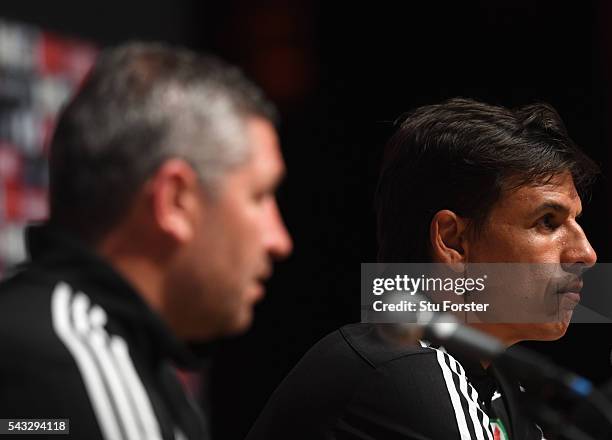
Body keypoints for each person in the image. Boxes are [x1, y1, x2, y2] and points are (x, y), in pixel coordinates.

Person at [246, 98, 598, 440]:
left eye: (576, 222)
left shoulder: (500, 384)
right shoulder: (402, 367)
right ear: (453, 241)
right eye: (547, 222)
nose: (585, 253)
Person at [0, 42, 292, 439]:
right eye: (259, 196)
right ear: (175, 201)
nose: (280, 240)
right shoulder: (67, 367)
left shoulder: (113, 358)